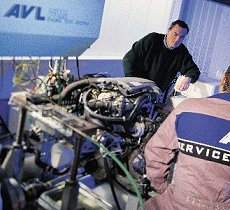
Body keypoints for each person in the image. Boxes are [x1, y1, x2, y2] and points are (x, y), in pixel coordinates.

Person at [144, 66, 230, 210]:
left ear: (223, 81)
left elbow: (156, 151)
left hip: (177, 202)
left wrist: (162, 188)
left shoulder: (187, 108)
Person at [123, 20, 200, 93]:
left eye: (182, 37)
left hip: (156, 93)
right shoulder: (152, 39)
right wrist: (134, 82)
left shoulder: (182, 51)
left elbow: (193, 70)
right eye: (175, 34)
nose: (177, 39)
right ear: (168, 31)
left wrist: (188, 78)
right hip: (137, 86)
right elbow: (128, 59)